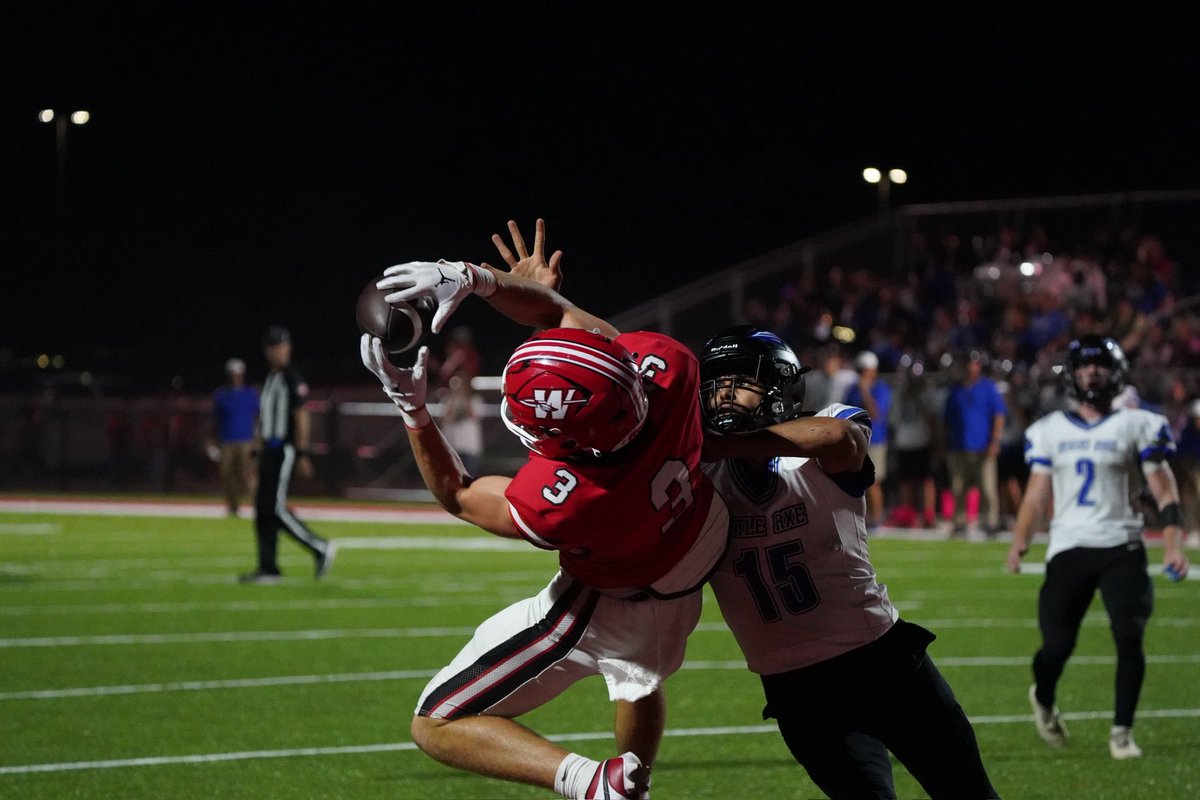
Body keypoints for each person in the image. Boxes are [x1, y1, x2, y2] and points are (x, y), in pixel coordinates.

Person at [359, 220, 850, 800]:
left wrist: (413, 411)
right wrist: (479, 281)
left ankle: (591, 783)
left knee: (435, 721)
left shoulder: (563, 501)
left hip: (610, 604)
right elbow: (568, 319)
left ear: (567, 441)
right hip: (688, 561)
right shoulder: (669, 368)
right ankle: (632, 787)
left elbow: (460, 494)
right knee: (638, 677)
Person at [699, 325, 999, 800]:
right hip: (795, 689)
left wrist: (719, 445)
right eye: (715, 383)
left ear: (778, 387)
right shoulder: (701, 473)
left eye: (740, 381)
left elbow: (840, 437)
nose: (724, 395)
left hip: (881, 661)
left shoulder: (818, 437)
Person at [1006, 336, 1190, 760]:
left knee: (1129, 636)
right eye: (1084, 366)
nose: (1092, 372)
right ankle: (1045, 696)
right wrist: (1020, 542)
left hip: (1122, 545)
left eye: (1100, 365)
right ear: (1071, 374)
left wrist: (1173, 547)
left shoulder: (1138, 423)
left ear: (1116, 372)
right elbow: (1036, 496)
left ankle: (1121, 732)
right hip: (1069, 546)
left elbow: (1165, 492)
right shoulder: (1050, 430)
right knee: (1056, 647)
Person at [239, 325, 336, 584]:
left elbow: (301, 416)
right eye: (271, 347)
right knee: (262, 510)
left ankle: (319, 547)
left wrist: (303, 453)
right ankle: (268, 567)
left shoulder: (293, 378)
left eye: (279, 346)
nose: (275, 351)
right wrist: (254, 455)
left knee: (275, 508)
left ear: (288, 347)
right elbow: (264, 420)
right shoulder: (271, 379)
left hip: (284, 449)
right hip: (268, 450)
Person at [942, 350, 1006, 536]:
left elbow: (998, 416)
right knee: (958, 487)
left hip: (983, 445)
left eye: (974, 363)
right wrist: (944, 441)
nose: (971, 367)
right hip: (959, 445)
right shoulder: (955, 390)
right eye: (968, 363)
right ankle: (960, 521)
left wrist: (995, 440)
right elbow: (947, 419)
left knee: (987, 487)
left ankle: (990, 521)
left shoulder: (988, 387)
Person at [843, 350, 891, 529]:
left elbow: (876, 413)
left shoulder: (881, 388)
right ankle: (861, 517)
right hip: (855, 440)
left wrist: (865, 391)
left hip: (875, 440)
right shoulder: (852, 389)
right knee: (855, 481)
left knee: (873, 482)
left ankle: (876, 517)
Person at [210, 357, 260, 516]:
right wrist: (211, 440)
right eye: (232, 374)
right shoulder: (221, 395)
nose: (235, 377)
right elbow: (214, 420)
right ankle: (233, 506)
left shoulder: (250, 394)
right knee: (227, 474)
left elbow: (259, 418)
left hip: (246, 440)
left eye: (237, 374)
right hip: (226, 441)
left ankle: (259, 506)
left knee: (248, 474)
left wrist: (258, 440)